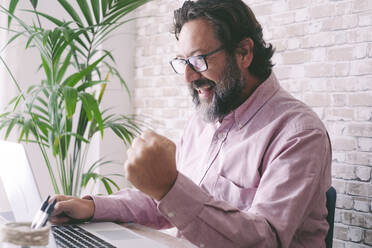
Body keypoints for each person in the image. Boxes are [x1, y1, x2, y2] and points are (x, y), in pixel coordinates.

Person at [50, 0, 332, 247]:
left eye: (198, 59)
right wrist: (91, 207)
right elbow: (169, 202)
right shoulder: (204, 119)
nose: (187, 76)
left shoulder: (298, 133)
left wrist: (168, 188)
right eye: (182, 61)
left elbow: (265, 240)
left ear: (244, 53)